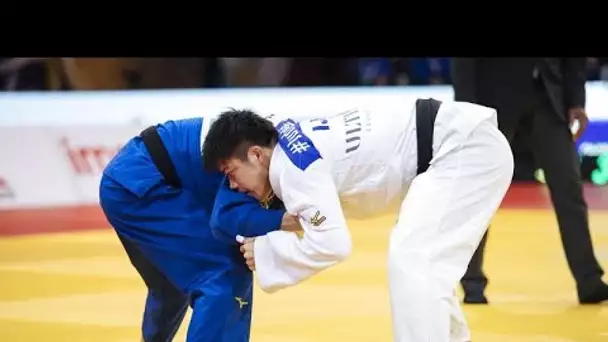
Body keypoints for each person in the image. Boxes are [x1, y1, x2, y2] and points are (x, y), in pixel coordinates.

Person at [201, 101, 515, 342]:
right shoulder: (282, 133)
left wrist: (267, 251)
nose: (233, 187)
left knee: (415, 260)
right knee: (424, 267)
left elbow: (333, 244)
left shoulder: (293, 168)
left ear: (256, 155)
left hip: (462, 148)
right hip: (457, 140)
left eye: (231, 173)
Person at [99, 116, 301, 342]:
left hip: (128, 179)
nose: (234, 184)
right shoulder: (246, 161)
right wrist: (281, 220)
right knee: (222, 269)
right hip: (141, 185)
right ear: (256, 154)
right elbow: (225, 221)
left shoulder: (266, 150)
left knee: (170, 285)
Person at [451, 57, 608, 304]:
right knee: (479, 193)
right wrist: (465, 107)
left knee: (569, 190)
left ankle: (589, 281)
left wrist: (576, 99)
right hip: (493, 100)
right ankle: (471, 283)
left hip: (549, 96)